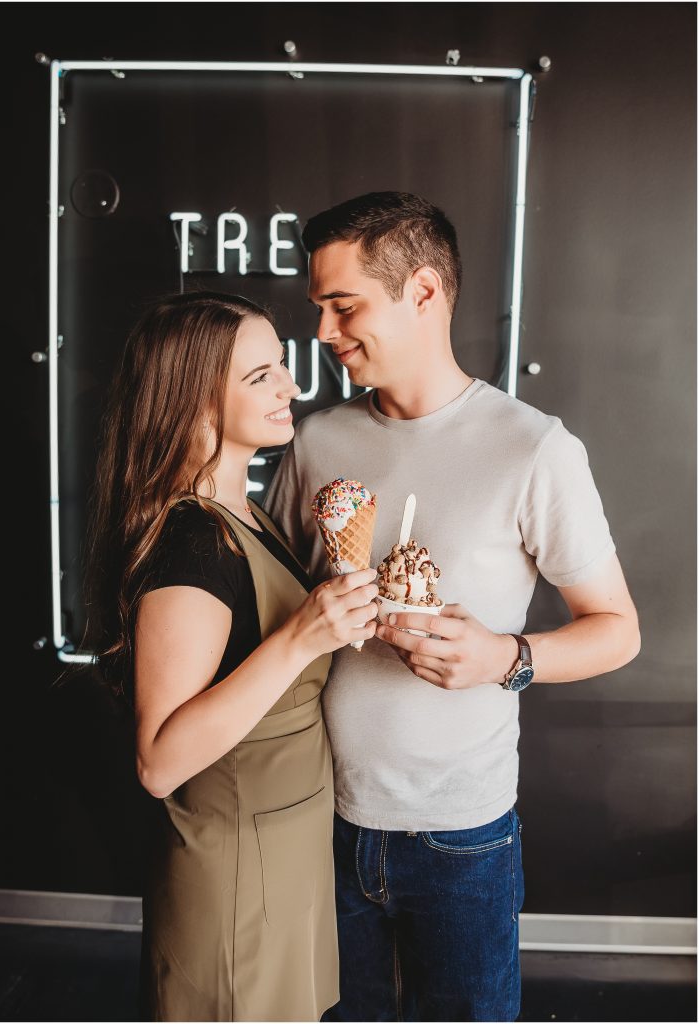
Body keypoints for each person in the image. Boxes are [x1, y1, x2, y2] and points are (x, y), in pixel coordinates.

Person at [265, 192, 641, 1022]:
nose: (323, 331)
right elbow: (276, 609)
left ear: (424, 292)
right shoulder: (318, 441)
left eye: (344, 306)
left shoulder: (535, 448)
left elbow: (618, 632)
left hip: (461, 839)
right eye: (319, 307)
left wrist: (506, 657)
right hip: (318, 817)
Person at [85, 291, 379, 1022]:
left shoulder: (246, 513)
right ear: (193, 400)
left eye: (281, 366)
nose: (292, 386)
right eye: (261, 376)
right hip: (237, 882)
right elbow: (159, 762)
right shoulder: (190, 543)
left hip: (285, 859)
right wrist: (302, 637)